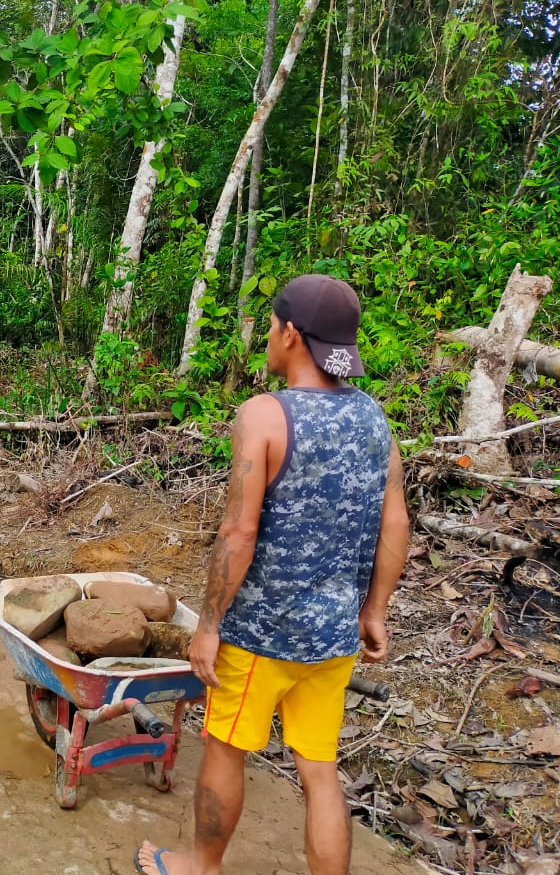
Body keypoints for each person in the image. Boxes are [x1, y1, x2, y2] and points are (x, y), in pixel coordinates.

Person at [135, 274, 410, 875]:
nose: (265, 336)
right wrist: (375, 611)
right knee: (319, 770)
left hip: (261, 633)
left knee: (225, 747)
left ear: (290, 333)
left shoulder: (263, 416)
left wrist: (208, 625)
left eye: (270, 325)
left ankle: (200, 865)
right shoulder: (373, 418)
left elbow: (239, 532)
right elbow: (396, 526)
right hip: (334, 637)